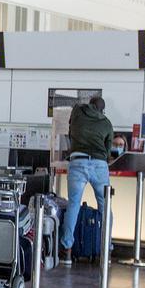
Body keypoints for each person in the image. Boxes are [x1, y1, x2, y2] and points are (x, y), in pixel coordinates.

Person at [60, 96, 114, 257]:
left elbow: (70, 132)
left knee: (74, 205)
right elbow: (108, 150)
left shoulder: (77, 112)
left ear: (90, 105)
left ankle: (67, 247)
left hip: (78, 161)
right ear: (102, 110)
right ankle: (106, 247)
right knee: (104, 206)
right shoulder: (106, 123)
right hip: (99, 164)